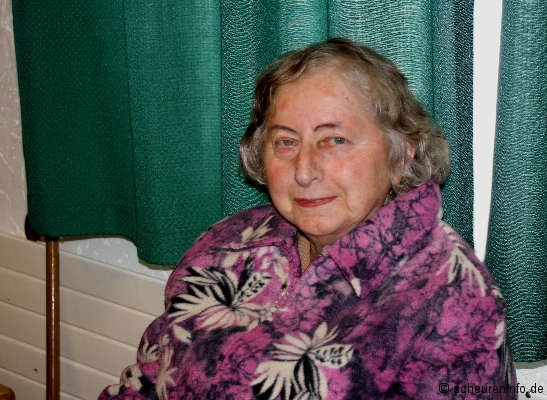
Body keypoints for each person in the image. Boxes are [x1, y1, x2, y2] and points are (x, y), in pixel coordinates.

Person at [100, 38, 516, 399]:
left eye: (335, 140)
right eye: (285, 142)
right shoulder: (226, 242)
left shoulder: (453, 300)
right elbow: (149, 376)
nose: (303, 171)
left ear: (401, 155)